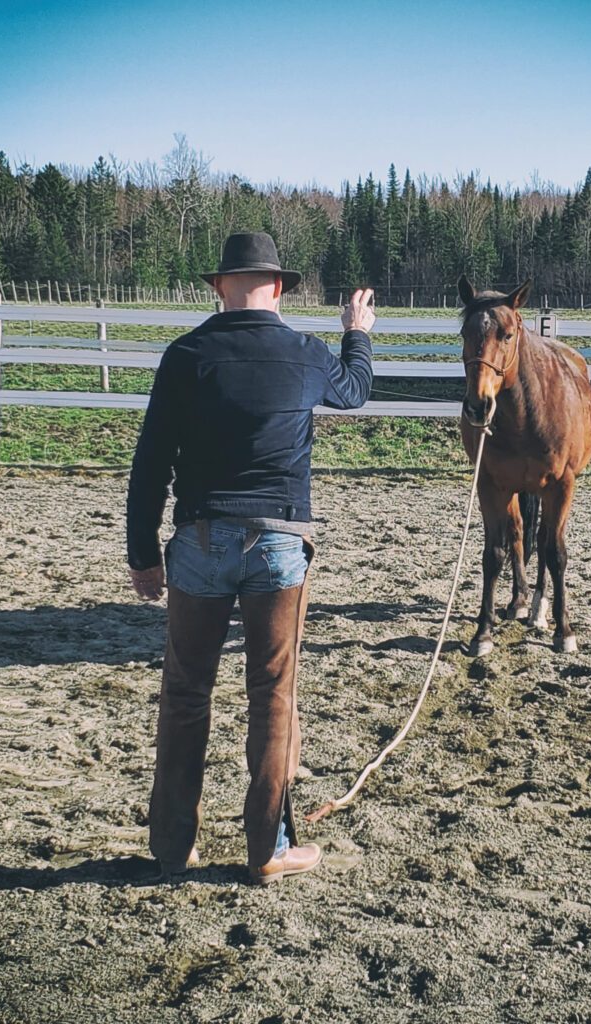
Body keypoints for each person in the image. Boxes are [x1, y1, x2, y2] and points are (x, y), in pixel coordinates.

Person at [126, 231, 374, 884]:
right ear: (279, 286)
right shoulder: (305, 352)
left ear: (219, 286)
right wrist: (357, 330)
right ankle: (268, 848)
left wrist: (142, 554)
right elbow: (354, 391)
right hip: (278, 541)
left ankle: (174, 846)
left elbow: (149, 463)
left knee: (184, 694)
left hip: (200, 541)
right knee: (273, 697)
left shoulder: (185, 356)